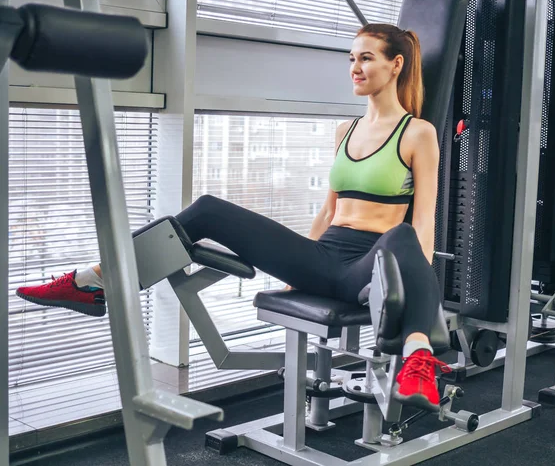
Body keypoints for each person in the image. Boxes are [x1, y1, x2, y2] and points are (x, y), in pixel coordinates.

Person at [16, 23, 449, 412]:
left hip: (373, 263)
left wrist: (416, 283)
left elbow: (425, 219)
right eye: (351, 59)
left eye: (366, 58)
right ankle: (93, 281)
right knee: (207, 209)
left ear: (395, 65)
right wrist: (297, 271)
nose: (355, 67)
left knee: (406, 234)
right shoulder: (345, 131)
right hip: (324, 257)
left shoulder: (418, 133)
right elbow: (329, 210)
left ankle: (418, 359)